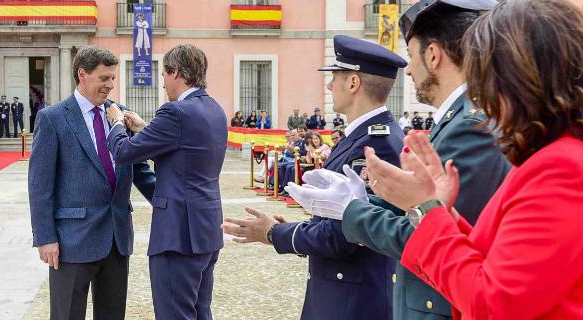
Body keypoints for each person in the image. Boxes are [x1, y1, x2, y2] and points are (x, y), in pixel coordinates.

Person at [285, 1, 510, 319]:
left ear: (432, 55)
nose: (408, 69)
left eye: (411, 54)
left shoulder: (468, 126)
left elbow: (430, 233)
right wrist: (367, 201)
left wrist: (351, 210)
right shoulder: (460, 119)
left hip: (437, 303)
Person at [363, 1, 583, 318]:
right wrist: (441, 213)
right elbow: (502, 258)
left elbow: (494, 304)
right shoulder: (556, 157)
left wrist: (426, 208)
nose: (480, 91)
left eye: (485, 74)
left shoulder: (561, 167)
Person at [222, 35, 407, 320]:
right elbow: (339, 217)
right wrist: (295, 227)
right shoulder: (364, 136)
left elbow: (345, 234)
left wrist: (273, 233)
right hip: (341, 290)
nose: (330, 85)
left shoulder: (376, 144)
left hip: (355, 300)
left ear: (354, 83)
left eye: (335, 77)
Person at [28, 45, 156, 320]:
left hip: (116, 237)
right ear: (82, 74)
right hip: (72, 241)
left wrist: (169, 201)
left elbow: (141, 171)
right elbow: (40, 186)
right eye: (104, 78)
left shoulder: (121, 115)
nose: (110, 85)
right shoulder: (52, 118)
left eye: (113, 78)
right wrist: (45, 237)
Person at [106, 44, 227, 320]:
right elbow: (185, 150)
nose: (163, 84)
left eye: (163, 76)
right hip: (207, 230)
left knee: (174, 313)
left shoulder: (175, 112)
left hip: (178, 235)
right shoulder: (215, 110)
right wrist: (144, 128)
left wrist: (115, 123)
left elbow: (124, 153)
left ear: (175, 73)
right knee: (199, 312)